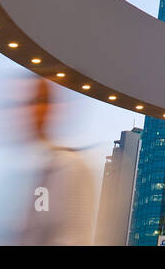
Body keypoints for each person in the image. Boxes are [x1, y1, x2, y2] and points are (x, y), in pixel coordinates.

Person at [6, 76, 97, 245]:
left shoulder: (72, 168)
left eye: (38, 101)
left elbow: (75, 237)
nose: (28, 110)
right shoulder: (30, 168)